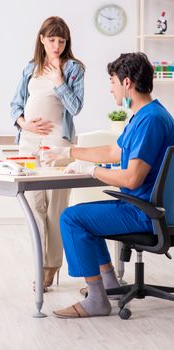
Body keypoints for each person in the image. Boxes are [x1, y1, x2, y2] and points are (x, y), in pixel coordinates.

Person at [43, 52, 174, 317]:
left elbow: (131, 178)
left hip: (146, 213)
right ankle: (108, 283)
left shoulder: (150, 120)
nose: (110, 88)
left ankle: (96, 301)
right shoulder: (148, 114)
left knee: (72, 218)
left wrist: (92, 171)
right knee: (86, 215)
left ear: (127, 83)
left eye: (112, 81)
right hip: (148, 206)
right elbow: (116, 151)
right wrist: (70, 152)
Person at [10, 16, 85, 291]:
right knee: (34, 206)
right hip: (28, 144)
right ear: (42, 39)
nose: (56, 45)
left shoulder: (74, 69)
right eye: (51, 39)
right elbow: (15, 105)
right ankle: (40, 264)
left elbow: (76, 108)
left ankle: (51, 267)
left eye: (61, 40)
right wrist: (24, 123)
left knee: (55, 209)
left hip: (58, 147)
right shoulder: (30, 68)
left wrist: (58, 81)